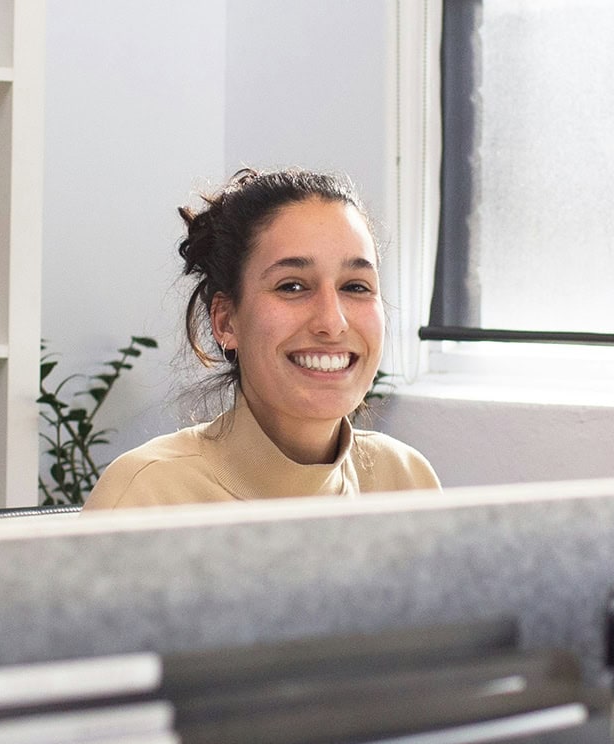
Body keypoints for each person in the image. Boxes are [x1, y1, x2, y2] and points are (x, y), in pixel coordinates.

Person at [84, 167, 440, 510]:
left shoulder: (406, 481)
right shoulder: (146, 495)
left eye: (355, 287)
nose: (333, 323)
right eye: (292, 286)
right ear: (226, 321)